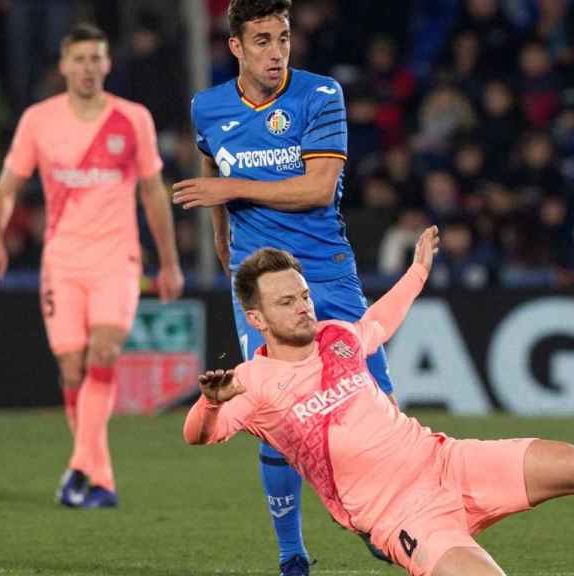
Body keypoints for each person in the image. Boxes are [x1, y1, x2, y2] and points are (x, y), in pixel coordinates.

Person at [183, 226, 574, 576]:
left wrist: (418, 270)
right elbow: (199, 435)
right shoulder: (253, 386)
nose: (304, 307)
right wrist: (211, 403)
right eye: (287, 302)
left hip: (448, 461)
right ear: (256, 316)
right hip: (403, 517)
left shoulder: (337, 338)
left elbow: (378, 323)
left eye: (304, 294)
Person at [173, 1, 394, 572]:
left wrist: (229, 192)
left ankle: (384, 518)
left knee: (378, 402)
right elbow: (212, 174)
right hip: (259, 280)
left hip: (326, 272)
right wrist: (222, 241)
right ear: (237, 48)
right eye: (264, 41)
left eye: (284, 38)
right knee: (275, 412)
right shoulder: (208, 107)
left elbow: (319, 188)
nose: (277, 52)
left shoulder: (320, 96)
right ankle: (291, 554)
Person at [0, 23, 184, 508]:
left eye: (96, 58)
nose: (88, 67)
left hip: (117, 257)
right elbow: (6, 189)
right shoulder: (38, 121)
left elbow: (153, 191)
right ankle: (99, 476)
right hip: (62, 261)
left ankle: (77, 471)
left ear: (107, 64)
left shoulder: (132, 119)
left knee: (105, 353)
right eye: (80, 59)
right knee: (72, 368)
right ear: (64, 65)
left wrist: (169, 261)